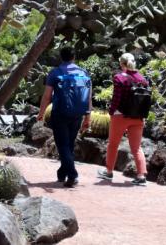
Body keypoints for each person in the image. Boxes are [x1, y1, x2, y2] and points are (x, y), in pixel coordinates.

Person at [37, 47, 92, 188]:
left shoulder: (55, 73)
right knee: (68, 146)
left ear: (61, 57)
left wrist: (41, 113)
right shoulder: (83, 72)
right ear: (74, 57)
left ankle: (72, 175)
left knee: (63, 145)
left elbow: (47, 96)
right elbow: (88, 97)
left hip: (60, 114)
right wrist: (88, 117)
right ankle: (62, 173)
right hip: (78, 114)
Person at [97, 53, 149, 185]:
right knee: (136, 148)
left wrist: (111, 111)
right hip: (138, 117)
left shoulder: (119, 78)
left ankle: (108, 172)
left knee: (113, 144)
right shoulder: (142, 79)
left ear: (122, 63)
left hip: (120, 116)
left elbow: (117, 98)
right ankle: (141, 176)